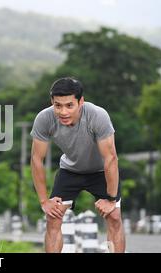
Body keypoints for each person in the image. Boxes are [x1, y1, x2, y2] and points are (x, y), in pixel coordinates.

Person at [30, 77, 125, 253]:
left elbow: (111, 158)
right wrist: (44, 201)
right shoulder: (44, 118)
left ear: (81, 102)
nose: (63, 112)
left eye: (69, 105)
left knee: (114, 217)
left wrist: (111, 199)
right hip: (70, 171)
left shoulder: (97, 115)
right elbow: (36, 159)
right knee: (52, 218)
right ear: (52, 102)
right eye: (58, 105)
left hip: (100, 172)